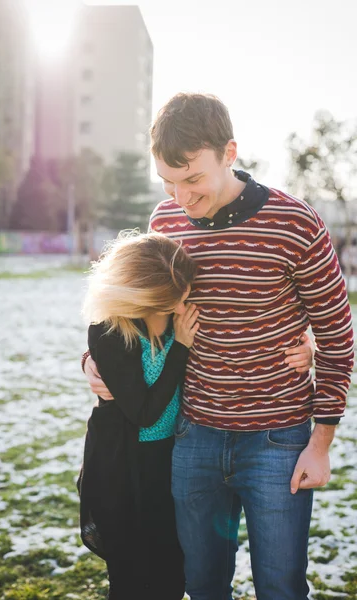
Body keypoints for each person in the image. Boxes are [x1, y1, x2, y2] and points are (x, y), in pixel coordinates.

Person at [83, 92, 355, 600]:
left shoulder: (297, 224)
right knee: (202, 585)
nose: (180, 197)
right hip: (192, 437)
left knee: (280, 587)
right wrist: (93, 361)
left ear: (229, 153)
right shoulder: (165, 221)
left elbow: (338, 333)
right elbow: (133, 307)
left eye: (192, 179)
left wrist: (321, 443)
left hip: (277, 440)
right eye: (167, 181)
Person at [78, 232, 198, 600]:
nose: (186, 300)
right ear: (146, 294)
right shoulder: (112, 333)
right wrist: (179, 348)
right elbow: (145, 413)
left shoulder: (176, 313)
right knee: (130, 577)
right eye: (177, 295)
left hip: (169, 460)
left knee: (170, 576)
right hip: (125, 468)